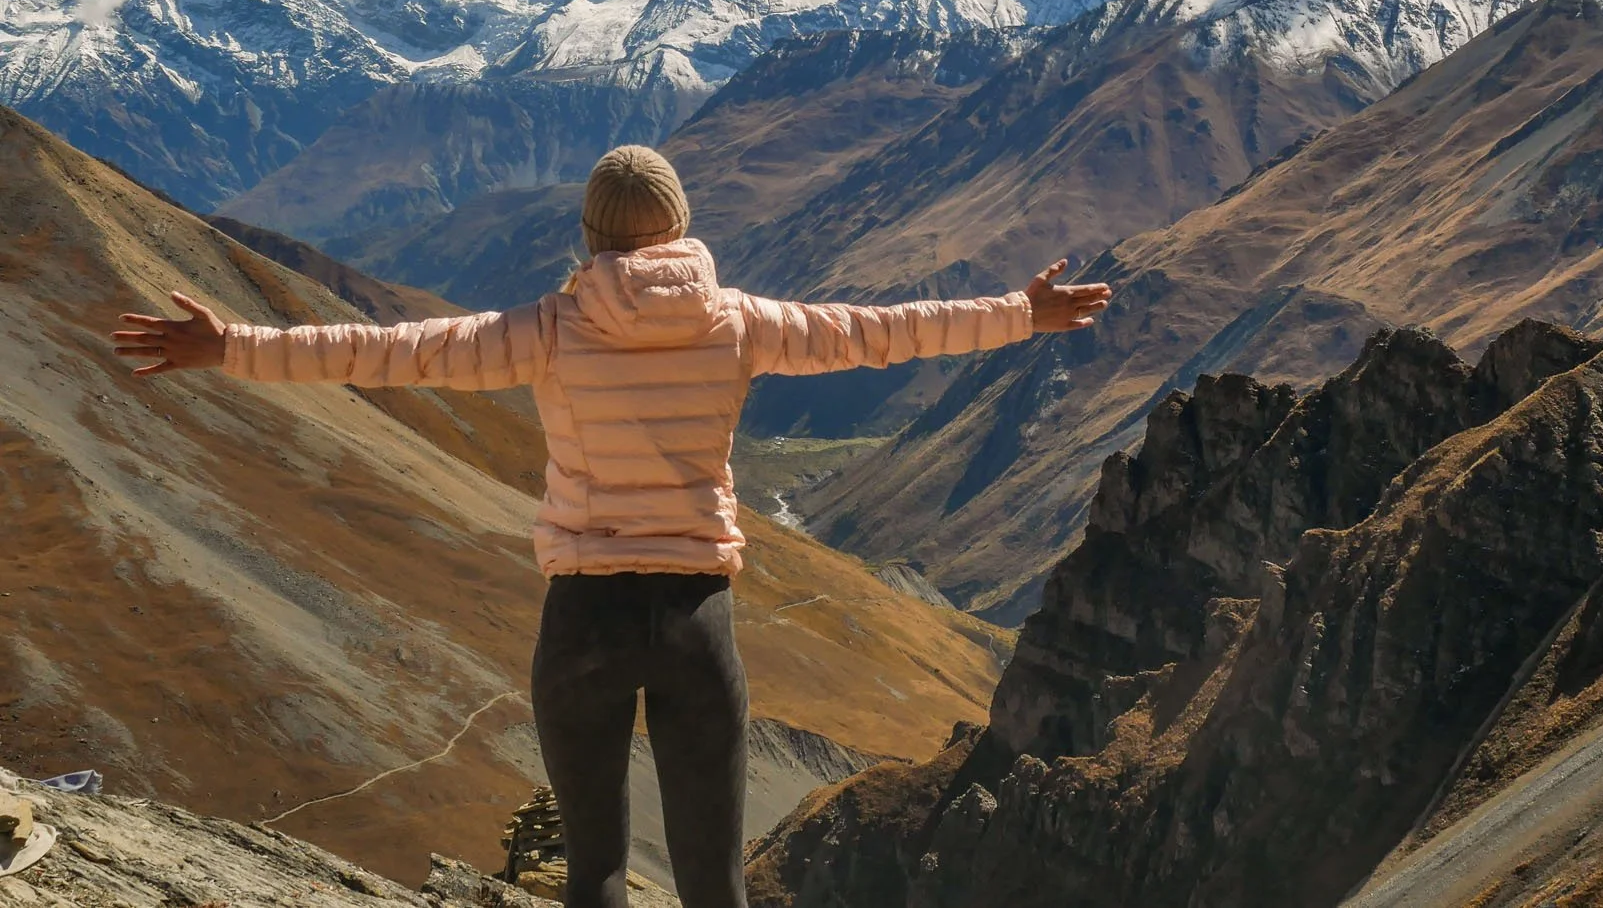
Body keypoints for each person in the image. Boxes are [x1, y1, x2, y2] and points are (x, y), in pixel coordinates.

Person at [112, 145, 1111, 908]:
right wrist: (1017, 313)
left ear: (590, 235)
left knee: (592, 870)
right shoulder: (739, 321)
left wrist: (230, 344)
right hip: (695, 619)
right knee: (712, 881)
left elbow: (386, 353)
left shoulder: (549, 327)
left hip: (580, 622)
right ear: (679, 228)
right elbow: (882, 332)